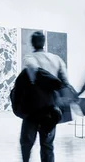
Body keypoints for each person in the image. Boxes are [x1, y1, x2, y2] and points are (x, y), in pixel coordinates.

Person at [17, 31, 72, 162]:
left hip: (33, 108)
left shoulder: (29, 58)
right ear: (44, 43)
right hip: (51, 108)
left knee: (26, 143)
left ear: (32, 43)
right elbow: (65, 81)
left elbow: (31, 73)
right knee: (47, 145)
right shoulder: (56, 59)